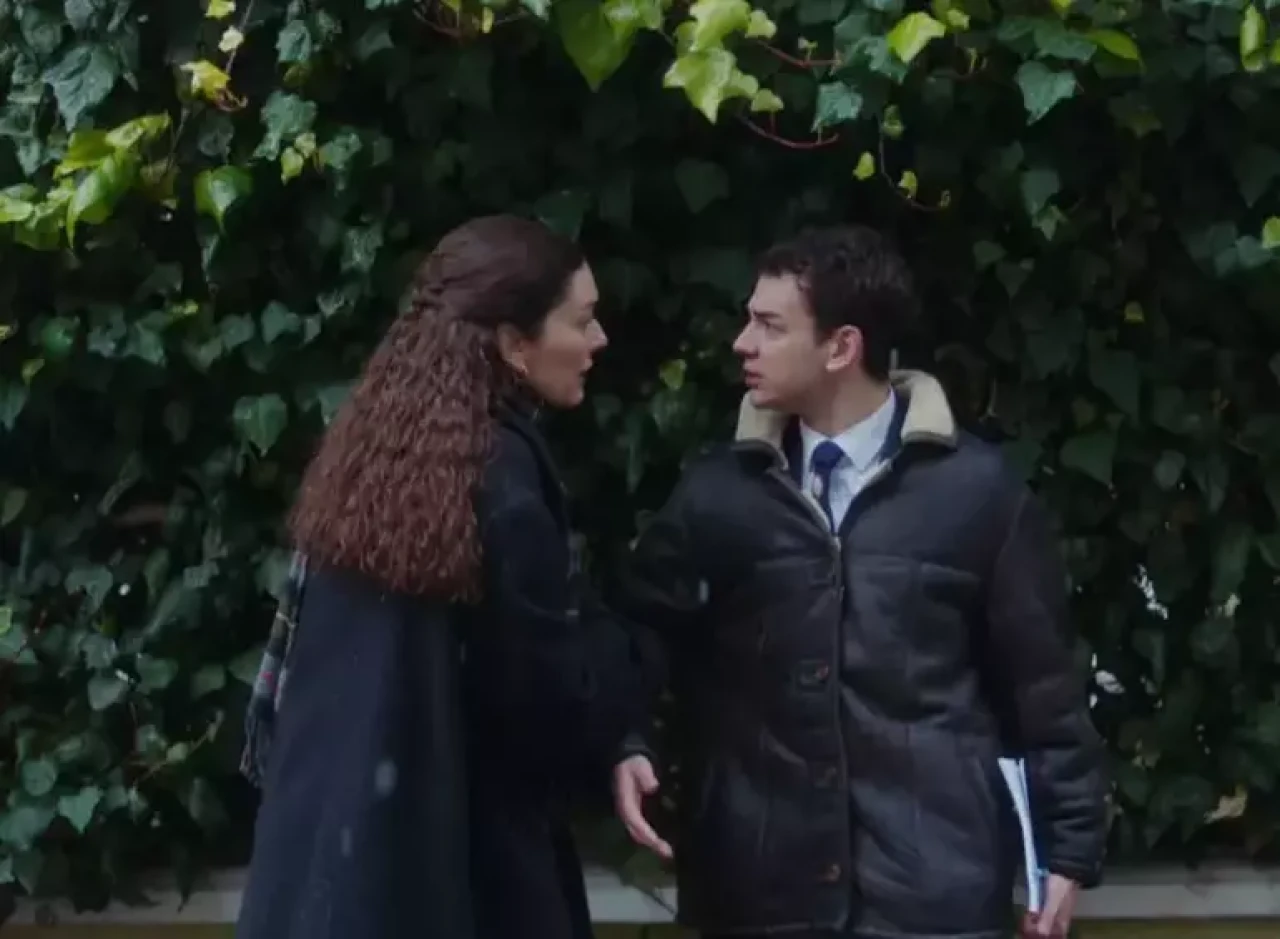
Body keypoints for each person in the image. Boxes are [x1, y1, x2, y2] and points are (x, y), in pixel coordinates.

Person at [611, 226, 1109, 939]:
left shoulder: (978, 493)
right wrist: (628, 740)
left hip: (933, 897)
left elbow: (1044, 686)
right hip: (758, 893)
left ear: (842, 346)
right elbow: (638, 631)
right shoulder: (717, 494)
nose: (742, 343)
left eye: (770, 325)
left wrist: (1067, 851)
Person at [235, 215, 642, 939]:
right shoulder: (503, 479)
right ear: (513, 344)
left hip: (325, 872)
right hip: (453, 880)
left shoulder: (366, 457)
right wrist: (622, 701)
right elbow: (547, 713)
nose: (600, 340)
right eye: (582, 320)